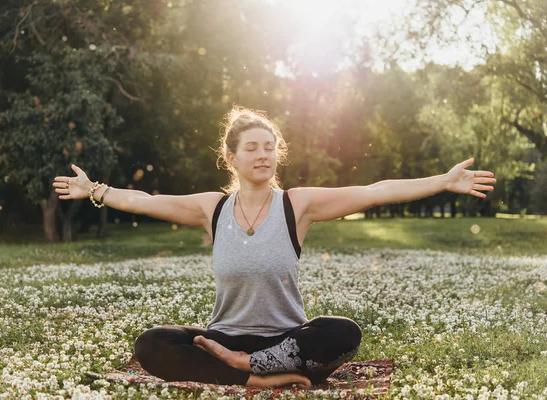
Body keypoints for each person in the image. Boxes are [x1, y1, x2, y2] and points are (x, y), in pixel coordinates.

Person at [54, 105, 496, 388]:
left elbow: (374, 190)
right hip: (223, 335)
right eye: (252, 148)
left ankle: (250, 369)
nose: (263, 155)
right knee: (151, 343)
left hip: (287, 337)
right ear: (233, 158)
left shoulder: (296, 205)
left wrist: (443, 181)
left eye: (270, 147)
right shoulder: (213, 207)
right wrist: (96, 190)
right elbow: (146, 201)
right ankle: (260, 378)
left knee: (343, 332)